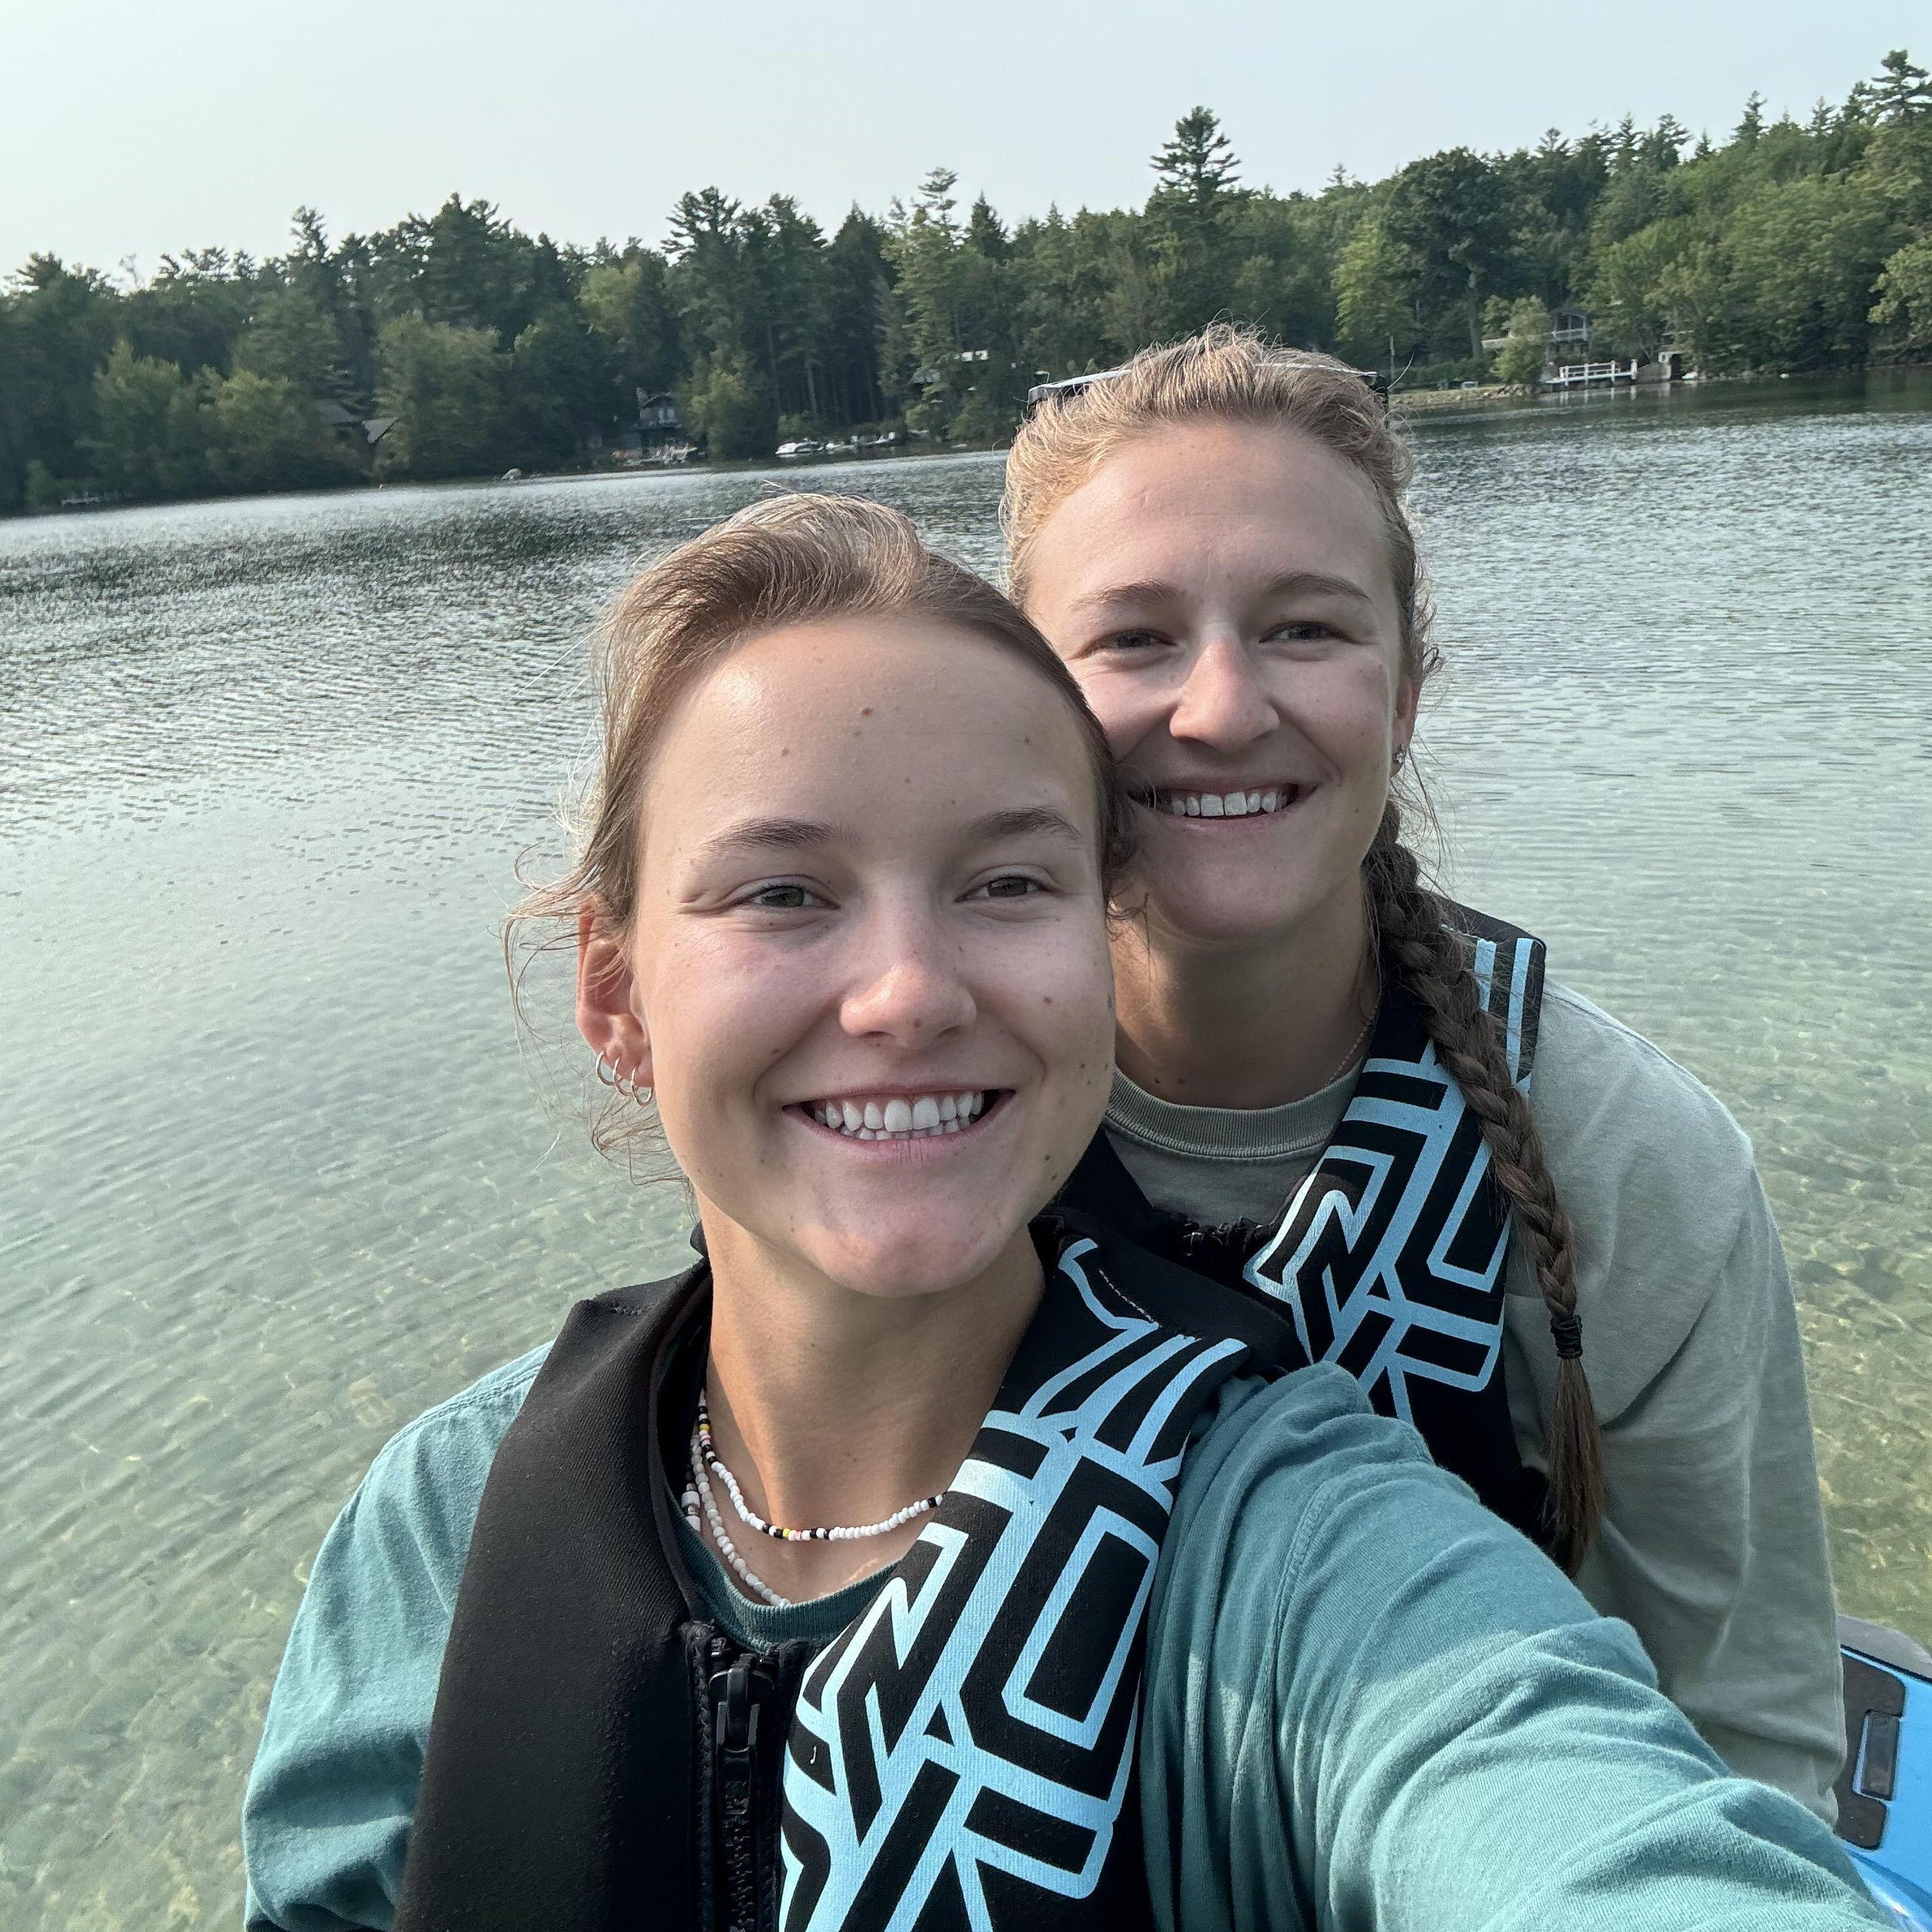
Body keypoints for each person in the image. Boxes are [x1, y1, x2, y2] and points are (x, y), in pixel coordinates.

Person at [241, 495, 1883, 1932]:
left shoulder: (1305, 1544)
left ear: (1102, 940)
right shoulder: (441, 1521)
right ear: (617, 994)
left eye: (1006, 882)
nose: (904, 994)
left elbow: (1579, 1801)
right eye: (784, 893)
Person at [1003, 325, 1845, 1817]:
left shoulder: (1625, 1160)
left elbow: (1742, 1733)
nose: (1218, 708)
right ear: (1022, 708)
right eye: (1133, 638)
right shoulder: (928, 1114)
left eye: (1307, 628)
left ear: (1405, 697)